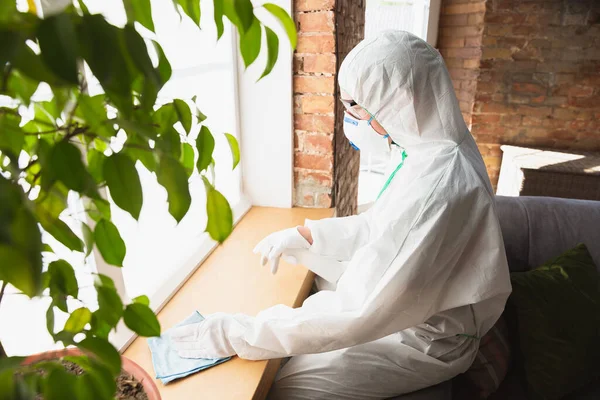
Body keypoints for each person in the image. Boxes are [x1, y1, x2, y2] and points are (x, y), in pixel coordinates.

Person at [171, 30, 512, 399]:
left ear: (397, 103)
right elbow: (383, 226)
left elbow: (358, 310)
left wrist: (235, 334)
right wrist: (310, 236)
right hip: (417, 308)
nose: (349, 116)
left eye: (355, 106)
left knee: (290, 385)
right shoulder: (432, 148)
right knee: (308, 301)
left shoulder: (440, 184)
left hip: (427, 340)